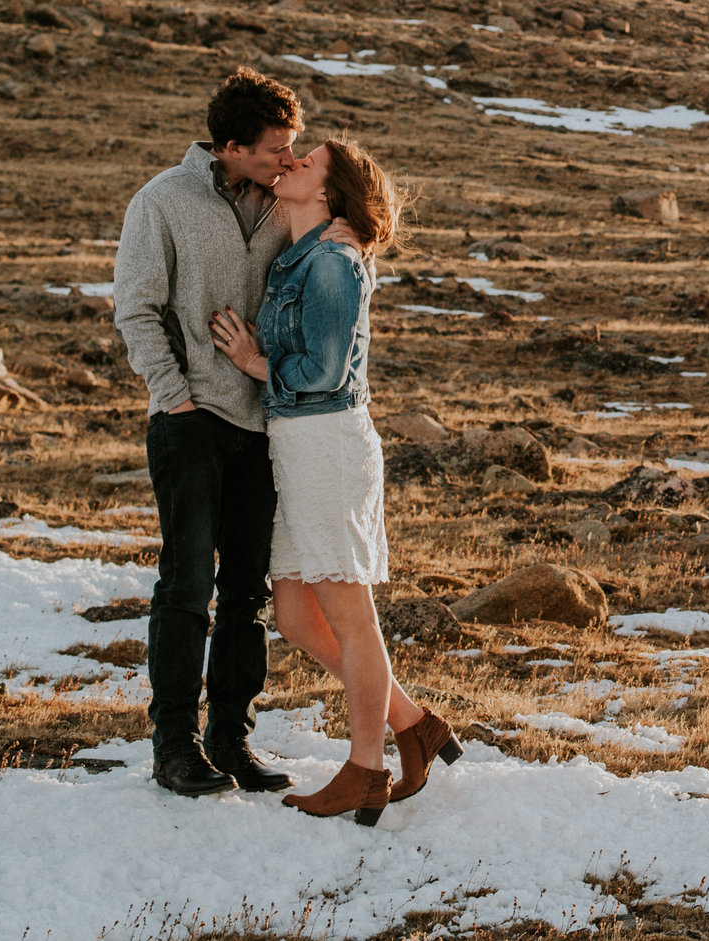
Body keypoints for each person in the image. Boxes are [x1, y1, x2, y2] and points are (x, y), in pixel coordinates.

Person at [209, 135, 459, 827]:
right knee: (294, 614)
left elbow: (320, 369)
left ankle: (365, 768)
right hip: (296, 446)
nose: (290, 163)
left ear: (327, 191)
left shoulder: (334, 261)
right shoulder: (302, 252)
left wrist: (257, 363)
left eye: (306, 161)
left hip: (326, 445)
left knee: (350, 618)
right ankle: (413, 725)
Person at [112, 67, 305, 798]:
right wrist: (175, 398)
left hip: (263, 425)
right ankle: (174, 745)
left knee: (247, 590)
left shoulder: (287, 205)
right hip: (191, 422)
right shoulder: (162, 201)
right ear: (229, 146)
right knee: (188, 583)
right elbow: (136, 307)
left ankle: (232, 737)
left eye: (291, 148)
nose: (285, 160)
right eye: (271, 150)